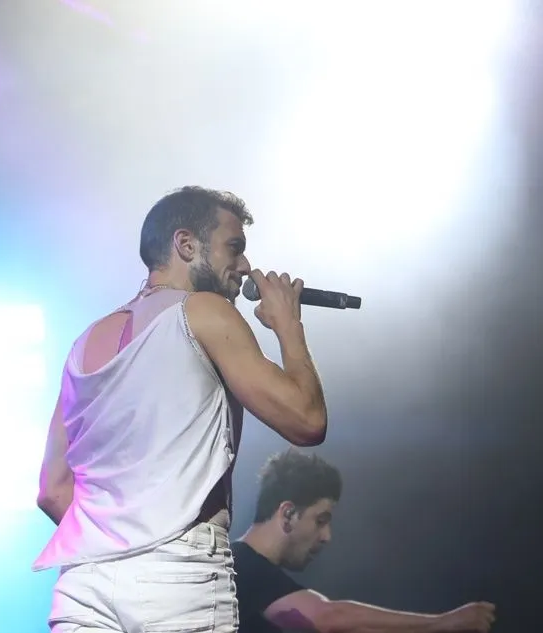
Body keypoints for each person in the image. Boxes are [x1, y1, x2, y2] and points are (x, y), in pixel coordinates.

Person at [32, 186, 329, 633]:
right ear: (186, 244)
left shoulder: (84, 343)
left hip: (82, 585)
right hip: (178, 576)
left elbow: (53, 490)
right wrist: (289, 326)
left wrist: (117, 542)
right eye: (234, 248)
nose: (245, 266)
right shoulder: (206, 311)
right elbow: (306, 420)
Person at [234, 450, 498, 633]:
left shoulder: (254, 582)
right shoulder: (240, 565)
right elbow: (329, 618)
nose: (327, 536)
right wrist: (444, 623)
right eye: (320, 521)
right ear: (288, 514)